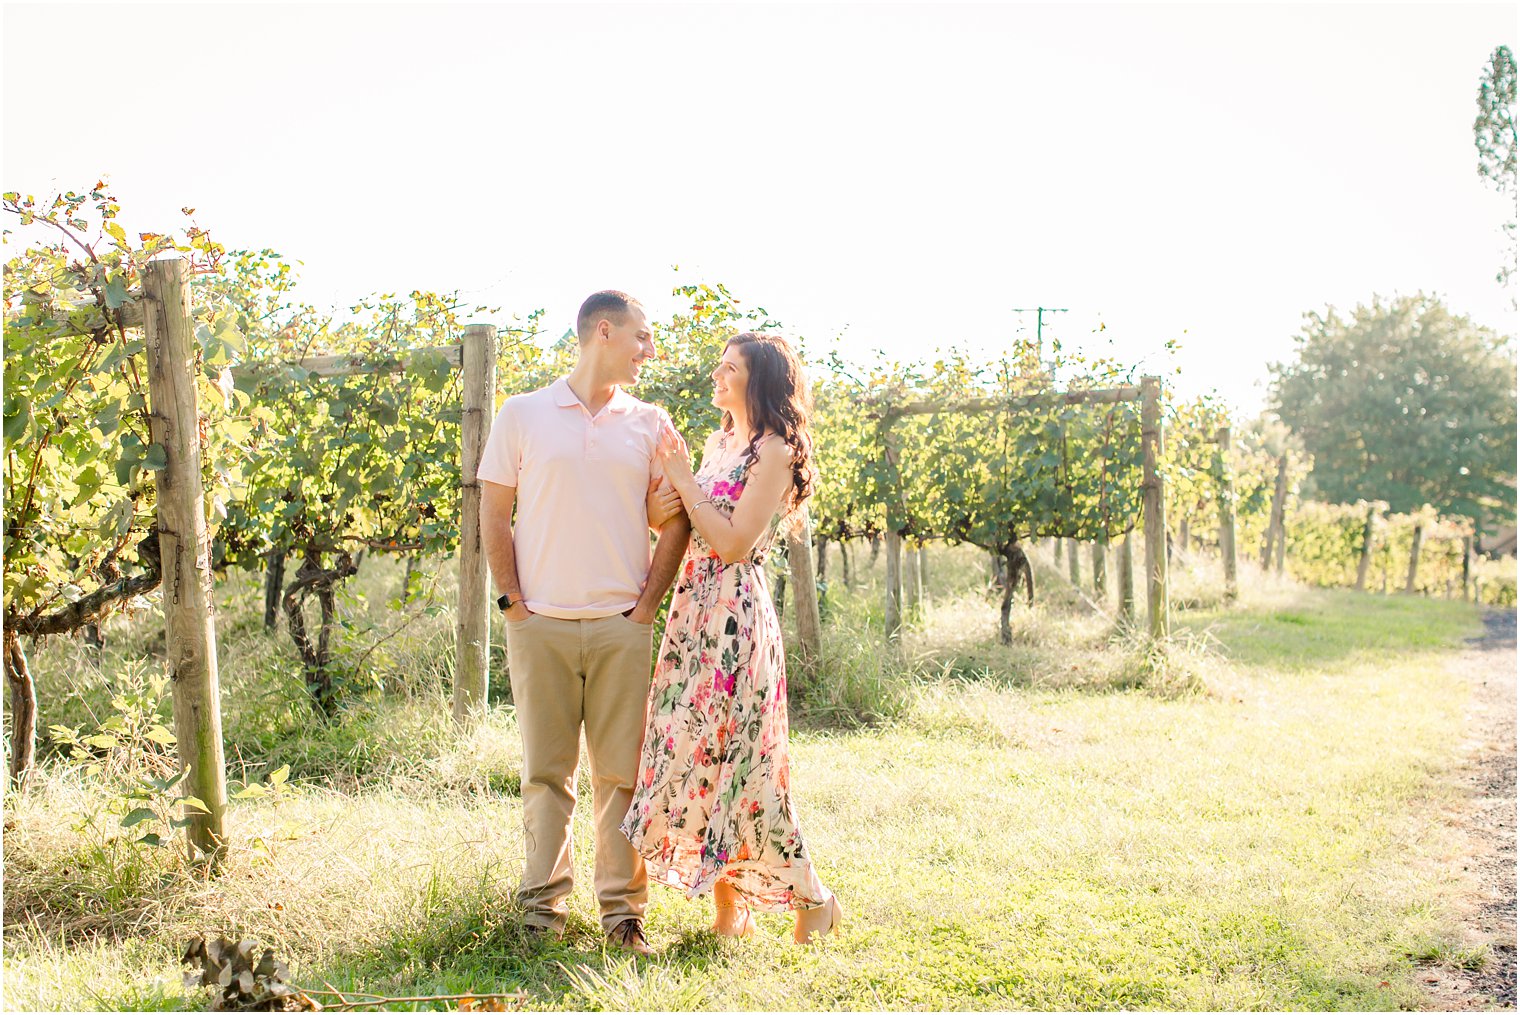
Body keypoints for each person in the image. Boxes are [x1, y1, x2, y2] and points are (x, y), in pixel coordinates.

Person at [477, 290, 689, 957]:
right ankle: (541, 917)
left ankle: (623, 918)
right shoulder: (522, 415)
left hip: (618, 626)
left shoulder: (651, 423)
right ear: (605, 331)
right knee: (546, 774)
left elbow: (674, 515)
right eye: (642, 337)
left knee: (621, 776)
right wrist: (512, 601)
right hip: (539, 625)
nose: (649, 350)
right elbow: (494, 511)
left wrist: (646, 605)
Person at [620, 332, 844, 945]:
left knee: (744, 764)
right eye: (719, 364)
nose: (718, 375)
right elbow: (678, 518)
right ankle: (729, 912)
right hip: (691, 616)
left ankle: (814, 899)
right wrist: (662, 492)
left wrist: (683, 481)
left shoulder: (774, 451)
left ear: (761, 381)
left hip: (735, 624)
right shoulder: (721, 441)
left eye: (731, 368)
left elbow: (733, 542)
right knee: (697, 759)